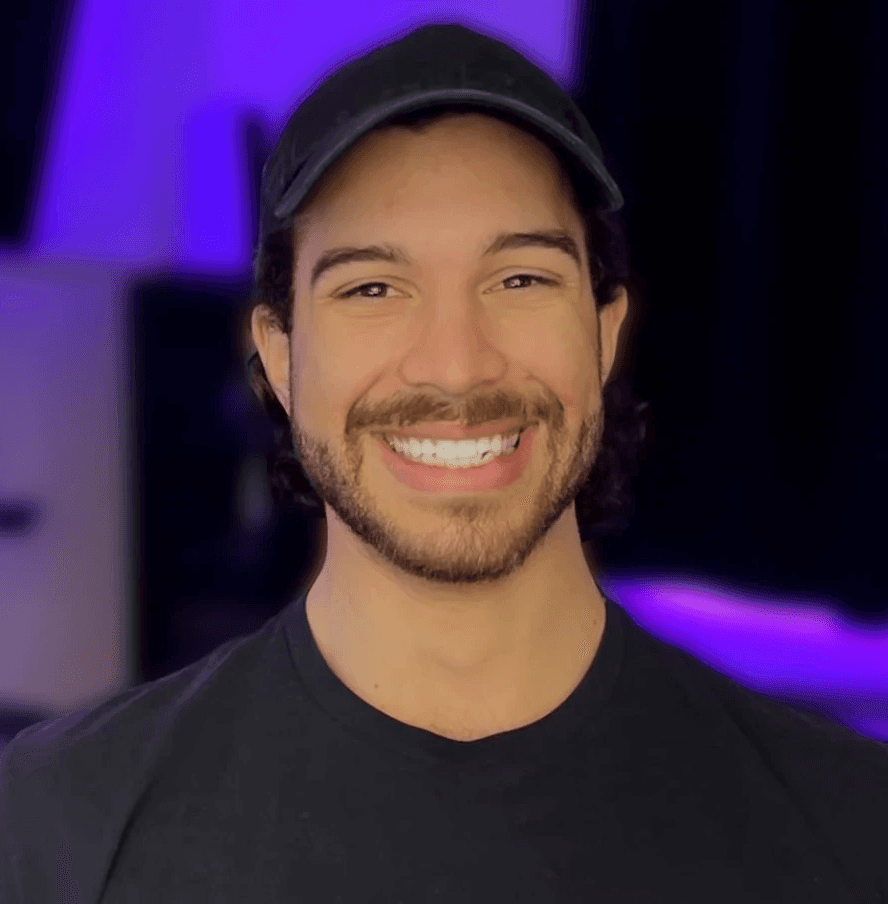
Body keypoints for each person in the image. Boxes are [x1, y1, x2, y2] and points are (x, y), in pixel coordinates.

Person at [1, 23, 886, 903]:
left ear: (605, 332)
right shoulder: (54, 832)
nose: (457, 367)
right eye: (373, 288)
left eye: (521, 279)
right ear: (278, 355)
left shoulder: (851, 827)